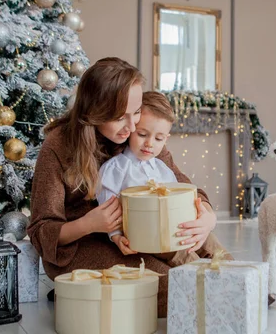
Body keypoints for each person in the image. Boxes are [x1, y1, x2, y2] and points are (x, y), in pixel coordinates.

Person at [27, 57, 229, 317]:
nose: (133, 126)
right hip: (82, 245)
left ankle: (243, 289)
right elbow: (41, 230)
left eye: (136, 112)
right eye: (120, 117)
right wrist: (90, 224)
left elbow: (182, 185)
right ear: (94, 111)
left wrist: (207, 217)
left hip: (139, 234)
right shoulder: (58, 146)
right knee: (172, 283)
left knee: (217, 257)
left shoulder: (137, 134)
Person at [97, 91, 196, 264]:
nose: (150, 143)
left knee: (208, 243)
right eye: (142, 135)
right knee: (187, 255)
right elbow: (107, 209)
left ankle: (235, 274)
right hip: (145, 236)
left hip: (172, 230)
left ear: (166, 139)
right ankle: (209, 280)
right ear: (131, 129)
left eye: (158, 138)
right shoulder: (115, 168)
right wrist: (116, 237)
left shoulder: (162, 168)